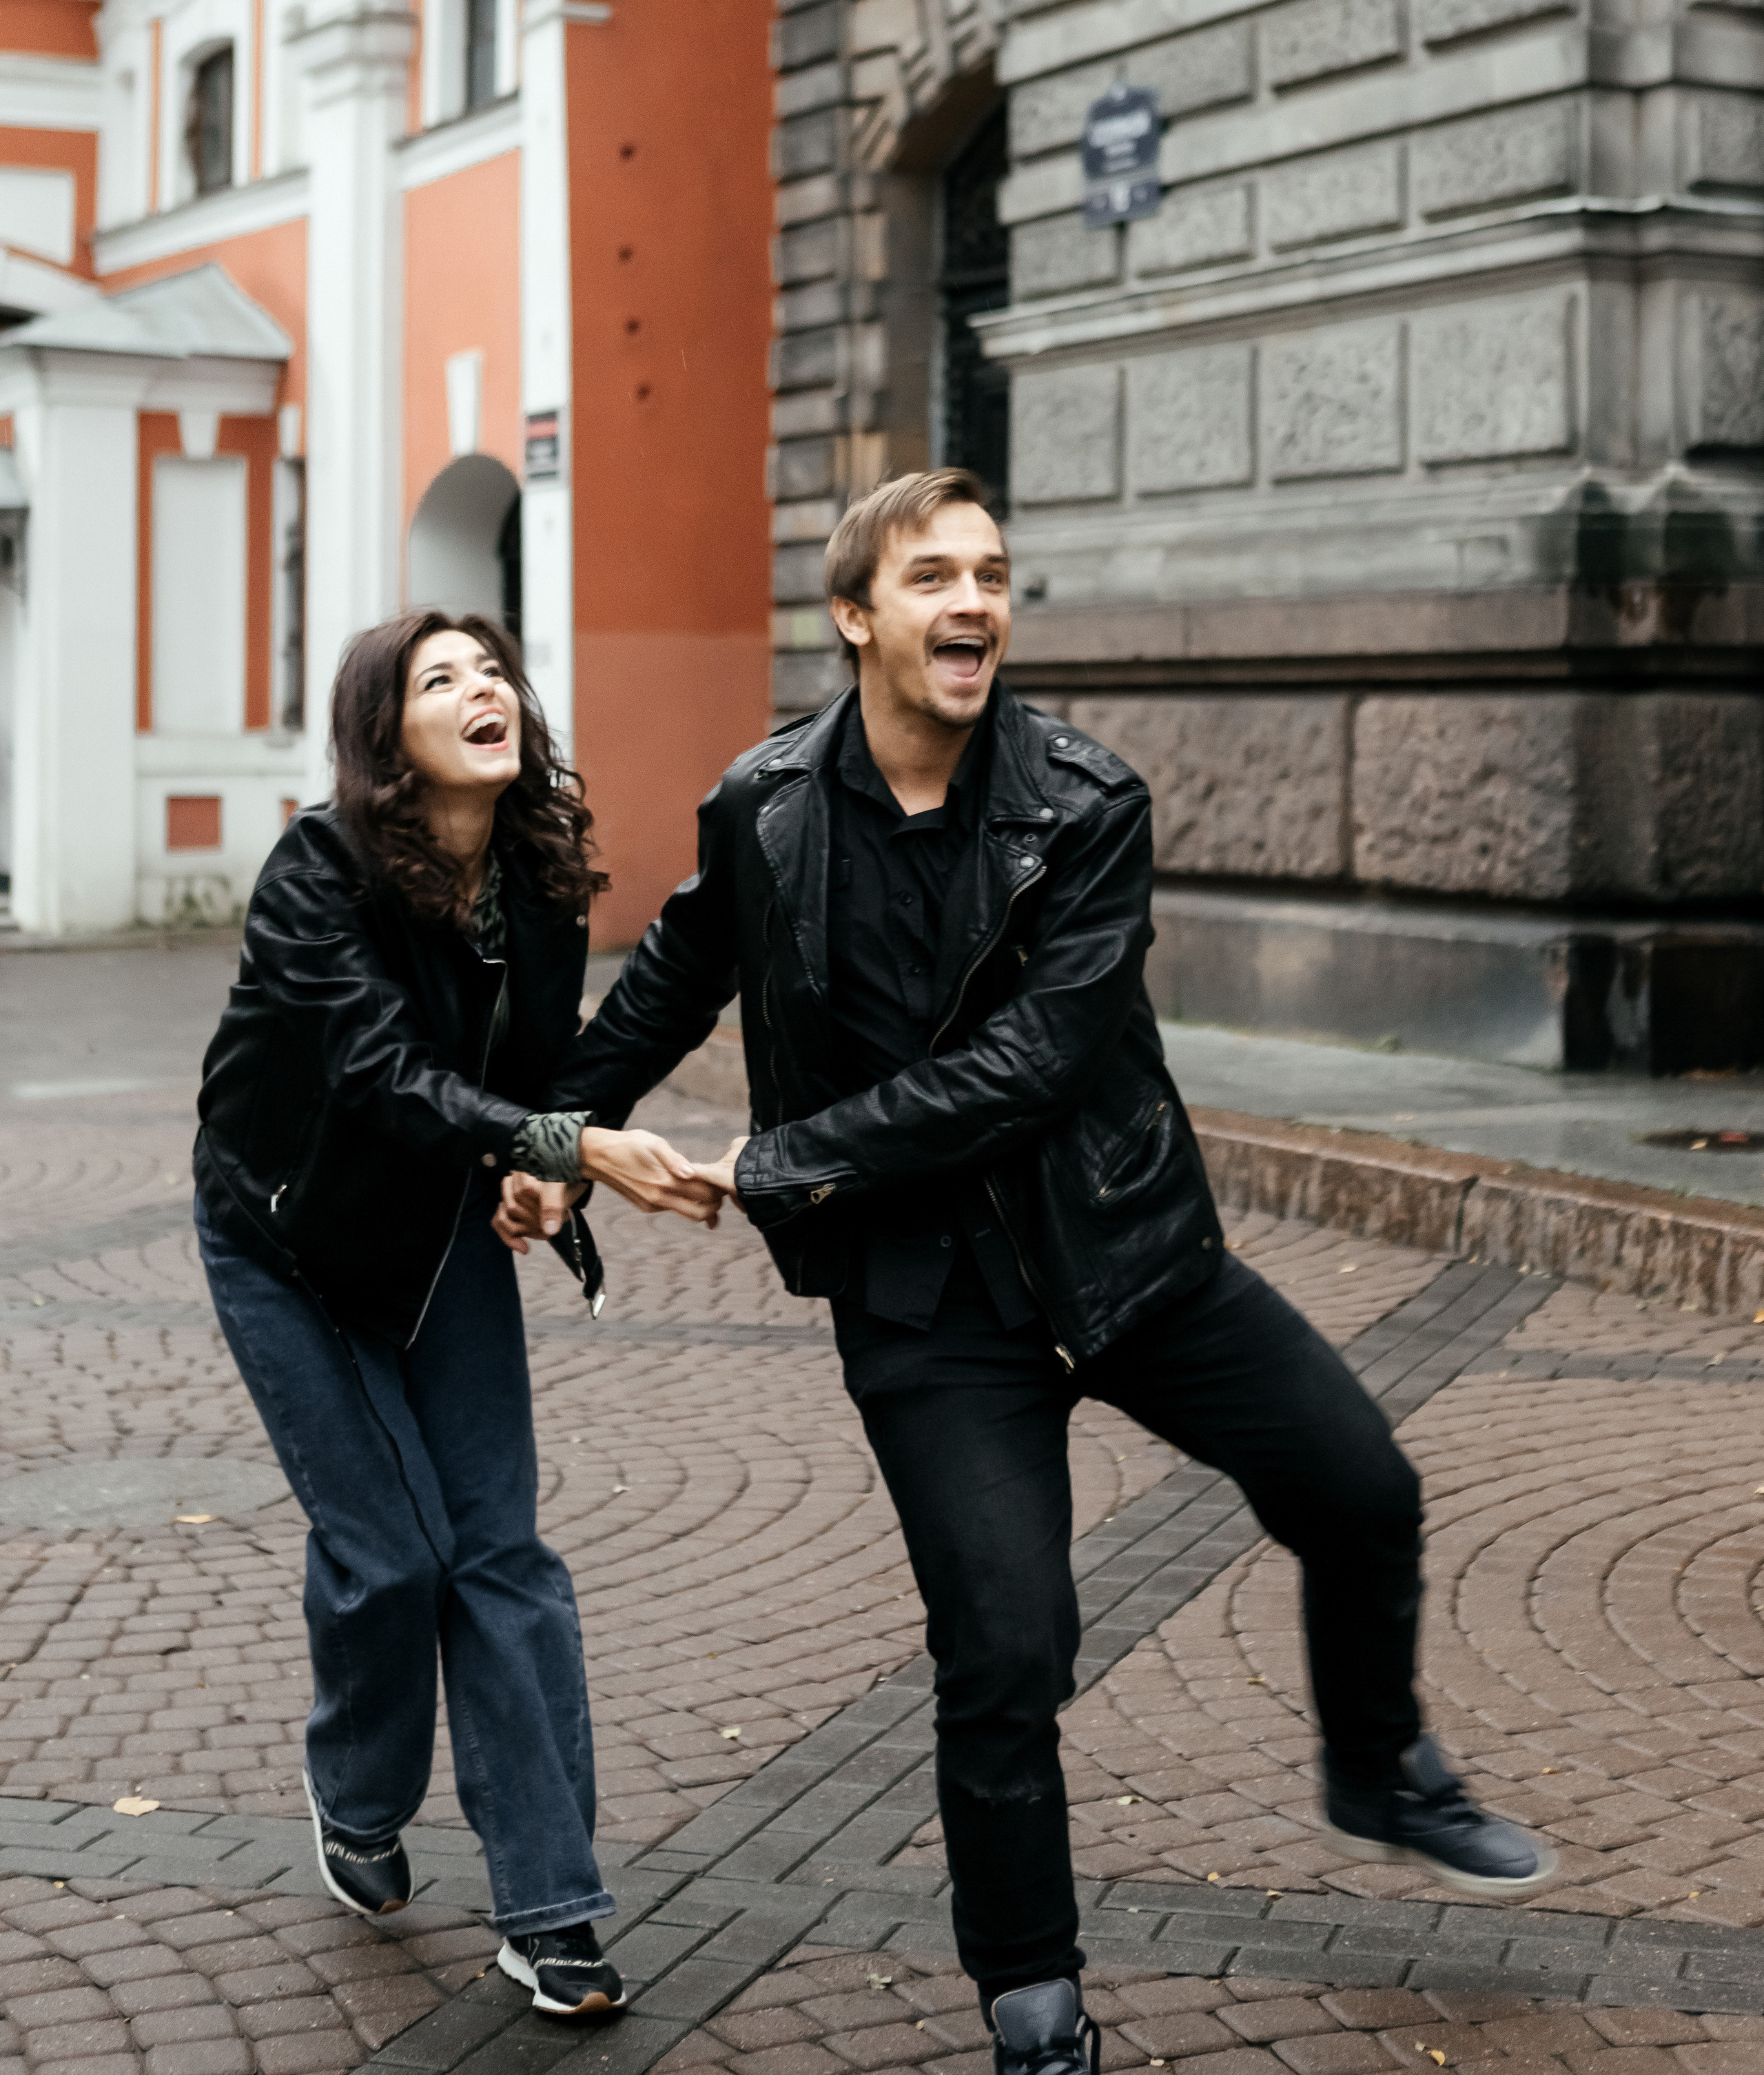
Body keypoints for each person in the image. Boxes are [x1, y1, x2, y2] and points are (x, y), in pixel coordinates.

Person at [500, 469, 1556, 2075]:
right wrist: (557, 1137)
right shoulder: (764, 806)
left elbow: (1032, 1066)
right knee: (1004, 1649)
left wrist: (770, 1162)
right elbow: (668, 980)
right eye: (932, 576)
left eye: (990, 575)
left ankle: (1376, 1764)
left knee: (1359, 1485)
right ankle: (1031, 1998)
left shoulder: (1082, 800)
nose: (973, 603)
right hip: (924, 1302)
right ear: (854, 615)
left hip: (1118, 1245)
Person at [194, 609, 719, 2018]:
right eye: (442, 678)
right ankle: (359, 1792)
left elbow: (534, 1069)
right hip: (289, 1244)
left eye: (493, 670)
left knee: (500, 1557)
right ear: (388, 734)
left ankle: (551, 1911)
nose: (484, 688)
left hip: (439, 1239)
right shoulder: (317, 872)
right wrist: (559, 1143)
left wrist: (545, 1174)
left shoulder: (538, 870)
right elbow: (375, 1070)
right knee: (394, 1559)